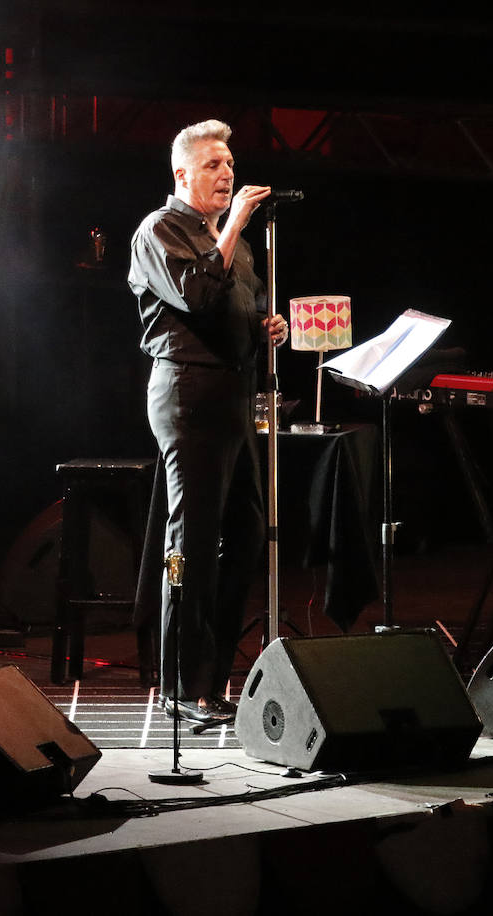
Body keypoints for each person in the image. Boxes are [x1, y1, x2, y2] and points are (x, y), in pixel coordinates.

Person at [127, 119, 289, 725]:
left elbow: (232, 310)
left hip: (237, 398)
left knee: (247, 534)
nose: (227, 174)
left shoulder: (236, 247)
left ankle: (212, 679)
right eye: (214, 164)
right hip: (188, 395)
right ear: (183, 173)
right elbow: (195, 296)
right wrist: (235, 227)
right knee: (191, 541)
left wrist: (266, 328)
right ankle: (177, 683)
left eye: (230, 163)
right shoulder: (161, 230)